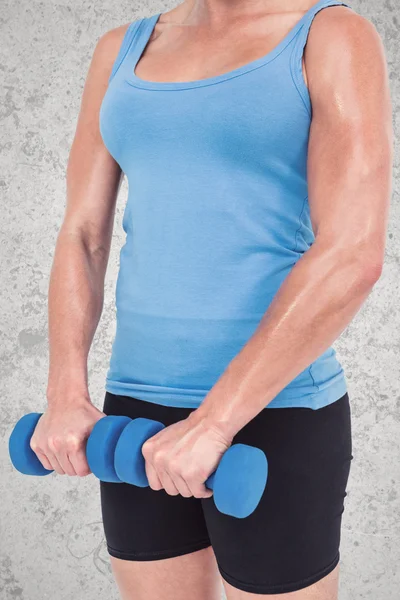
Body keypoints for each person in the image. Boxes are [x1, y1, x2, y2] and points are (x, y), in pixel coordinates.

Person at [29, 0, 393, 598]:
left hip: (269, 413)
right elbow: (82, 234)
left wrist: (214, 422)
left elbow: (352, 252)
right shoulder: (121, 49)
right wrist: (66, 393)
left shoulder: (328, 36)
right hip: (131, 417)